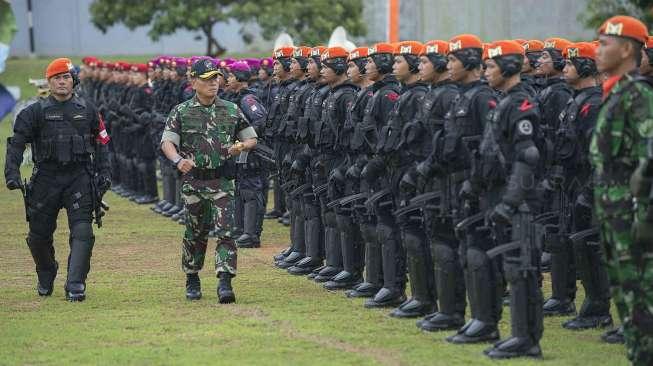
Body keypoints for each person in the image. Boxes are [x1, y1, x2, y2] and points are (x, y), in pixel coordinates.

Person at [4, 58, 111, 302]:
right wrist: (11, 173)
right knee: (38, 236)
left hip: (79, 178)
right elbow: (17, 145)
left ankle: (75, 284)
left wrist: (104, 173)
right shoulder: (34, 112)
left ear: (73, 80)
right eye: (56, 78)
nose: (62, 82)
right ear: (49, 82)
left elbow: (102, 143)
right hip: (46, 179)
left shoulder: (88, 110)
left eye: (66, 77)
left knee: (83, 231)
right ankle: (46, 271)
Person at [160, 59, 257, 303]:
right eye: (207, 79)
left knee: (226, 232)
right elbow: (167, 142)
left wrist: (241, 146)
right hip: (194, 183)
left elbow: (252, 139)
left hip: (223, 181)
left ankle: (225, 281)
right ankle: (192, 277)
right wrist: (177, 160)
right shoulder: (181, 111)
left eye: (216, 79)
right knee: (195, 232)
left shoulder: (231, 110)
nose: (214, 83)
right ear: (194, 82)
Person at [591, 15, 653, 366]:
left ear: (627, 48)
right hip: (614, 216)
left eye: (605, 44)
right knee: (627, 305)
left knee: (642, 306)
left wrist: (646, 217)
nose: (598, 50)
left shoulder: (638, 95)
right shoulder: (616, 93)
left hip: (633, 220)